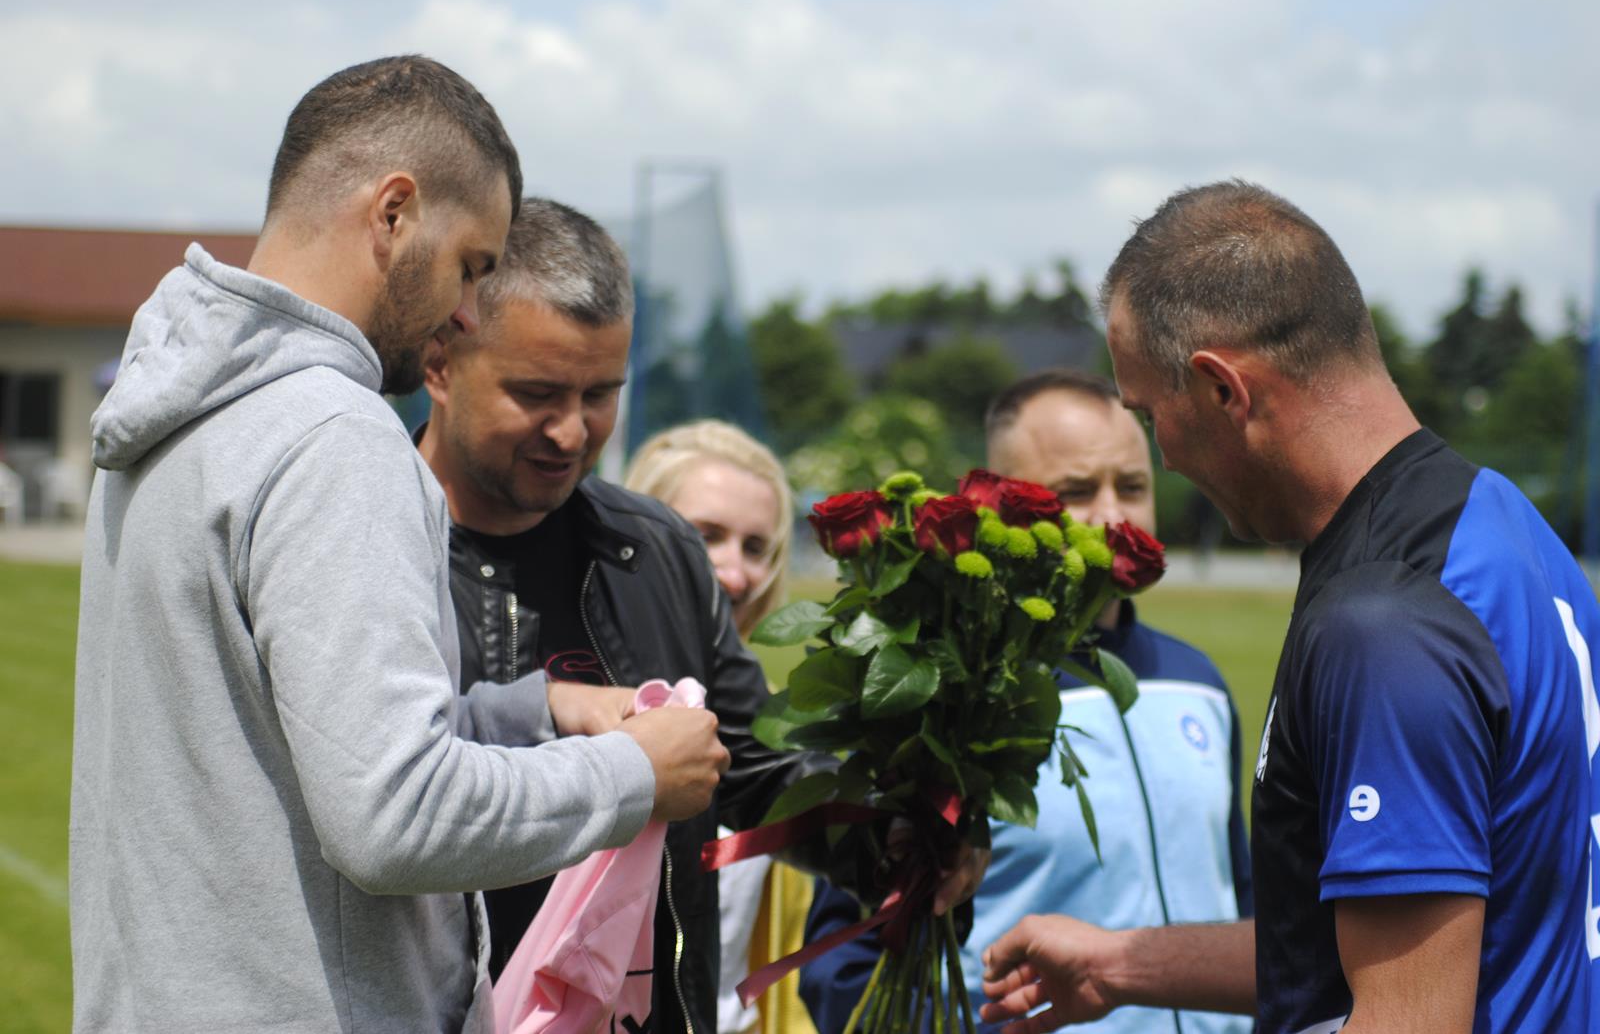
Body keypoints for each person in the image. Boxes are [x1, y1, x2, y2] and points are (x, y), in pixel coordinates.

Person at [71, 56, 729, 1034]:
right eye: (471, 265)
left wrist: (522, 713)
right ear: (392, 213)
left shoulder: (177, 408)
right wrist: (635, 775)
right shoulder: (333, 433)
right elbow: (395, 815)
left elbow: (281, 743)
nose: (465, 314)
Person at [981, 180, 1600, 1034]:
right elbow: (1375, 943)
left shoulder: (1382, 622)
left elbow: (1405, 1017)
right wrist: (1120, 963)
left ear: (1222, 390)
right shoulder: (1508, 529)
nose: (1160, 454)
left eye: (1150, 414)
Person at [416, 199, 983, 1034]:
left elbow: (753, 769)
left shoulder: (656, 551)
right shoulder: (365, 546)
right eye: (535, 393)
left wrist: (890, 836)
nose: (572, 431)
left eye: (600, 394)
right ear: (439, 360)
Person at [799, 369, 1253, 1034]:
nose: (1112, 513)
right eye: (1075, 490)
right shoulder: (944, 693)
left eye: (1132, 486)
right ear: (997, 505)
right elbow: (844, 962)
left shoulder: (1200, 682)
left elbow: (1247, 904)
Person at [625, 420, 820, 1034]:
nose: (736, 574)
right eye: (704, 536)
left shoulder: (775, 731)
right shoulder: (573, 699)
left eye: (757, 547)